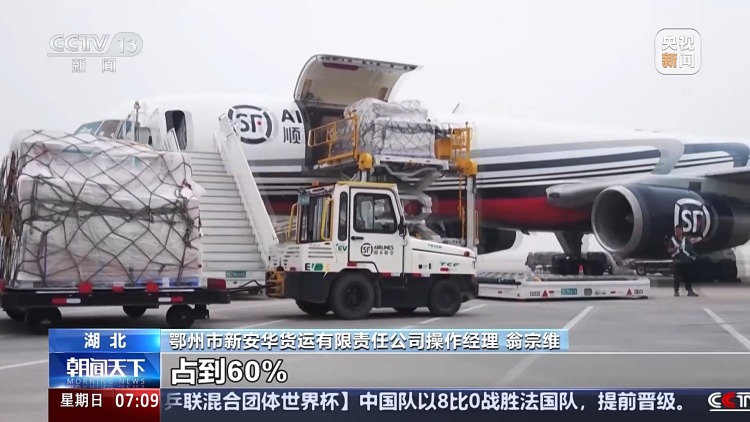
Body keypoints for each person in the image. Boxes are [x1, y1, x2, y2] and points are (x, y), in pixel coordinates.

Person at [667, 225, 702, 297]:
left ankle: (690, 291)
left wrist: (695, 256)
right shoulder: (672, 240)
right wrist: (674, 249)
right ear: (675, 231)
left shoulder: (686, 239)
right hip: (677, 260)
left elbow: (690, 249)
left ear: (682, 231)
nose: (678, 232)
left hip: (686, 260)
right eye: (677, 230)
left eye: (679, 230)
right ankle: (676, 291)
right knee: (677, 277)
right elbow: (669, 250)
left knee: (688, 276)